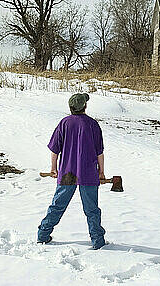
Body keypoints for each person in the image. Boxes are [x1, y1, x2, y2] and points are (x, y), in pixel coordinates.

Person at [37, 92, 107, 250]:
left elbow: (54, 150)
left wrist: (53, 168)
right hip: (88, 173)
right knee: (92, 210)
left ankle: (43, 235)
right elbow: (99, 152)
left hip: (68, 173)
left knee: (57, 206)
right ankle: (97, 241)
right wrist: (101, 172)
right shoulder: (92, 124)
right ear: (85, 106)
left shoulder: (64, 123)